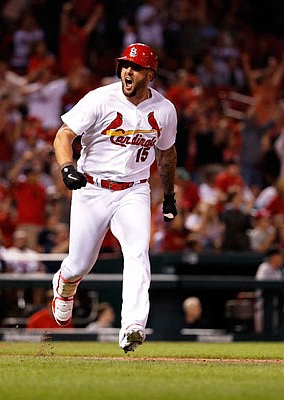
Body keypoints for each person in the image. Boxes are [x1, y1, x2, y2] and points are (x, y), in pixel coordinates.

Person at [51, 43, 178, 353]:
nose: (127, 72)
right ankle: (64, 284)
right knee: (80, 262)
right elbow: (63, 135)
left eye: (134, 67)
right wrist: (67, 167)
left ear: (150, 74)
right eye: (124, 66)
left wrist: (169, 195)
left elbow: (167, 154)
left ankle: (132, 326)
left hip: (134, 190)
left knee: (137, 252)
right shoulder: (100, 98)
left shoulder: (165, 110)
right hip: (91, 188)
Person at [254, 246, 284, 334]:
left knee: (276, 334)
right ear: (274, 257)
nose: (282, 258)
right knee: (263, 334)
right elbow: (262, 286)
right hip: (263, 308)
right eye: (280, 256)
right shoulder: (264, 268)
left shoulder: (279, 271)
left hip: (276, 308)